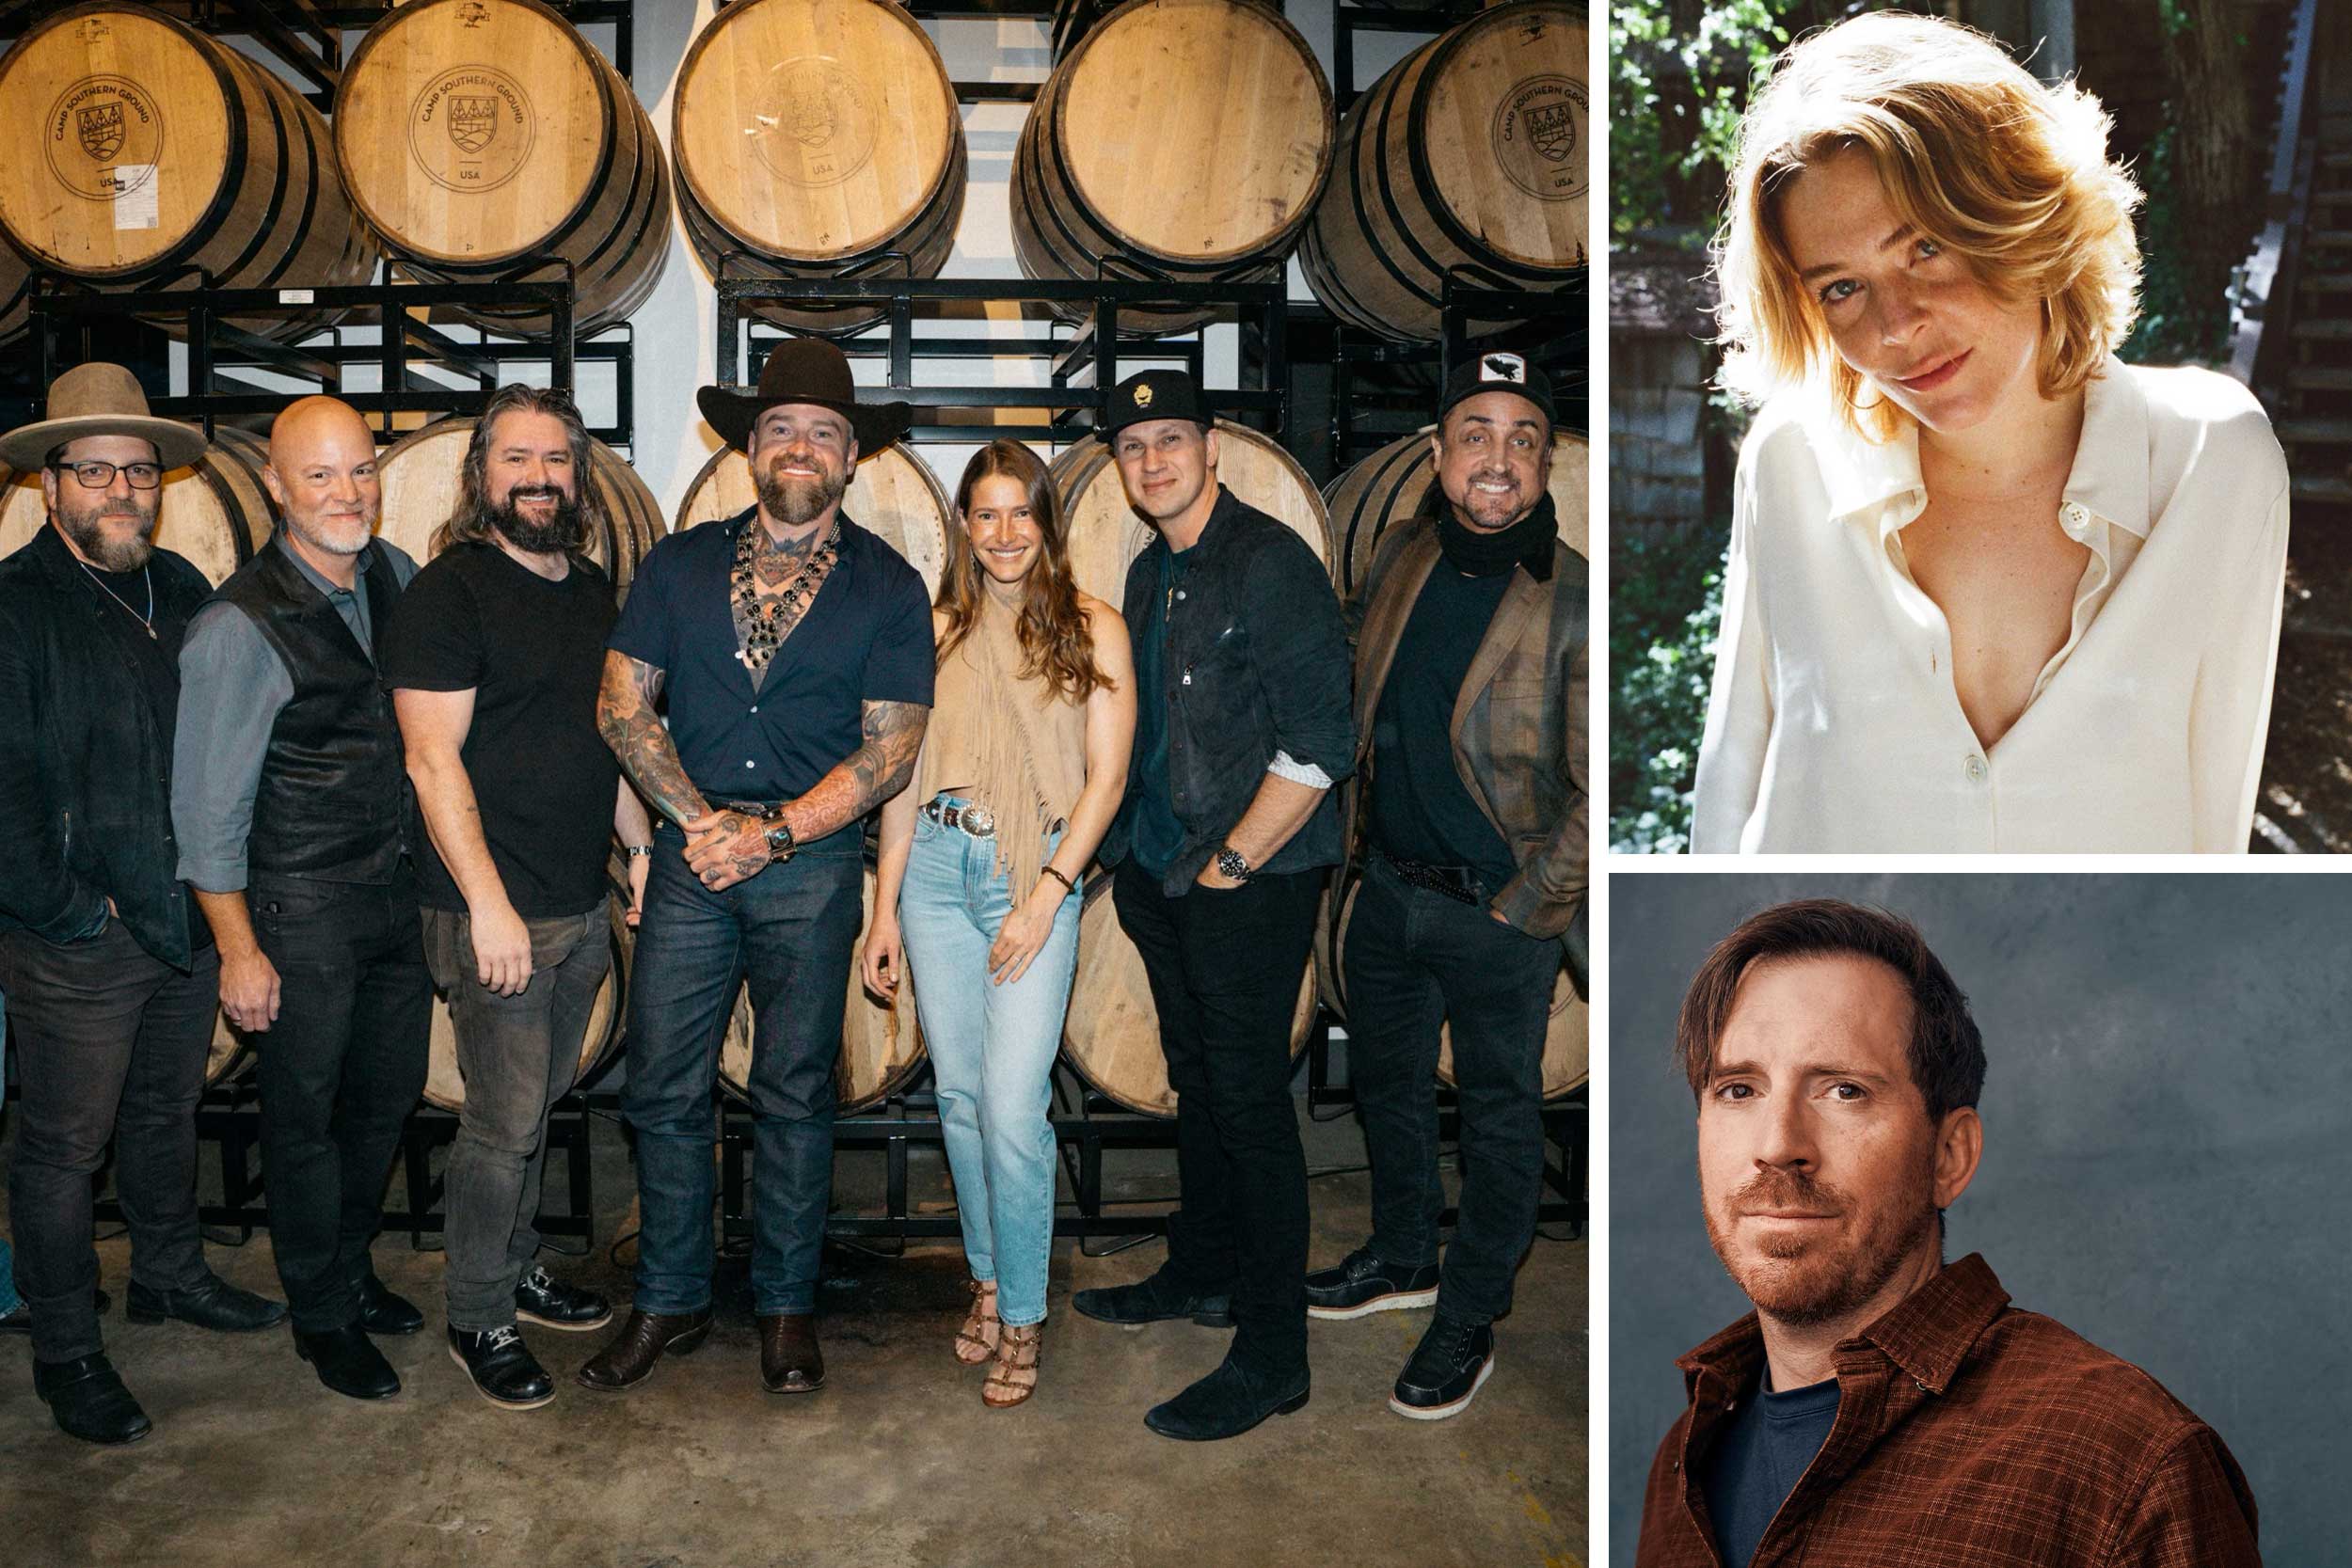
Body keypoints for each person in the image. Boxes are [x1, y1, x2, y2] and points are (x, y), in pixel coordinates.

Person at [1690, 13, 2288, 853]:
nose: (1896, 325)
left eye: (1926, 246)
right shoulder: (1791, 460)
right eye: (1841, 288)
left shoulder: (2216, 463)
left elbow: (2211, 829)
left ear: (2025, 212)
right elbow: (1726, 797)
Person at [1634, 898, 2261, 1567]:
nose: (1779, 1143)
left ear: (1949, 1156)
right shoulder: (1685, 1458)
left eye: (1844, 1090)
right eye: (1738, 1089)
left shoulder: (2127, 1466)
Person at [582, 339, 932, 1398]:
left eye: (825, 432)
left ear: (850, 459)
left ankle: (786, 1306)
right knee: (663, 1087)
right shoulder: (678, 564)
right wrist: (696, 824)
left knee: (793, 1094)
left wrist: (774, 832)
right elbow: (620, 702)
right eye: (781, 426)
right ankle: (672, 1297)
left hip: (811, 868)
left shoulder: (888, 583)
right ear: (748, 446)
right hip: (693, 860)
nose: (801, 447)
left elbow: (891, 747)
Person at [0, 364, 287, 1444]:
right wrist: (75, 910)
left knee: (168, 1111)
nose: (120, 487)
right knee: (65, 1145)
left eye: (137, 467)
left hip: (184, 913)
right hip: (78, 934)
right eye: (94, 469)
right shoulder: (16, 605)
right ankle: (68, 1345)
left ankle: (168, 1273)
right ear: (48, 484)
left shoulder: (181, 584)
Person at [1071, 369, 1356, 1442]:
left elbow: (1324, 737)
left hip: (1249, 884)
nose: (1153, 461)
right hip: (1161, 875)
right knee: (1198, 1084)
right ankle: (1199, 1266)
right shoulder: (1150, 572)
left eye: (1171, 440)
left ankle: (1274, 1352)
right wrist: (1141, 870)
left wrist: (1234, 860)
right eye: (1133, 446)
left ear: (1212, 449)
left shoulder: (1271, 563)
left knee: (1248, 1106)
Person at [1303, 353, 1588, 1419]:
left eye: (1523, 437)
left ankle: (1467, 1311)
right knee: (1386, 1088)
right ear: (1437, 455)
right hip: (1387, 892)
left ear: (1546, 461)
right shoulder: (1403, 557)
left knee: (1502, 1126)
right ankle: (1399, 1254)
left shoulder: (1574, 601)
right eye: (1476, 433)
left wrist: (1527, 908)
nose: (1498, 458)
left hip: (1495, 910)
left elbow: (1601, 790)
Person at [379, 386, 654, 1410]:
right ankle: (478, 1311)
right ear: (481, 475)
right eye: (515, 459)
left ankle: (517, 1264)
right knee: (498, 1124)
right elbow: (429, 759)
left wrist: (640, 847)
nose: (538, 476)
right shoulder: (449, 594)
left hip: (579, 902)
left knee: (536, 1109)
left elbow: (609, 739)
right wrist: (486, 903)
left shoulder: (588, 590)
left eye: (555, 459)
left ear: (577, 477)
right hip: (493, 911)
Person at [860, 440, 1135, 1408]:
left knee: (1015, 1110)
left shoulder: (1092, 626)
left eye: (1022, 512)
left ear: (1047, 522)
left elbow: (1106, 779)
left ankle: (1023, 1311)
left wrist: (1048, 891)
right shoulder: (931, 630)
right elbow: (898, 780)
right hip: (935, 865)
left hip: (1034, 872)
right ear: (963, 527)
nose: (1005, 533)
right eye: (985, 513)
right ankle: (983, 1276)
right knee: (959, 1100)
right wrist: (883, 909)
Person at [173, 395, 432, 1402]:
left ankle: (350, 1268)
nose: (346, 492)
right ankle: (319, 1316)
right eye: (319, 474)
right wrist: (238, 947)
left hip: (392, 901)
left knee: (383, 1103)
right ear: (275, 484)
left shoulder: (394, 574)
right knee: (306, 1122)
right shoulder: (238, 623)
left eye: (360, 470)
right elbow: (206, 810)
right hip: (298, 910)